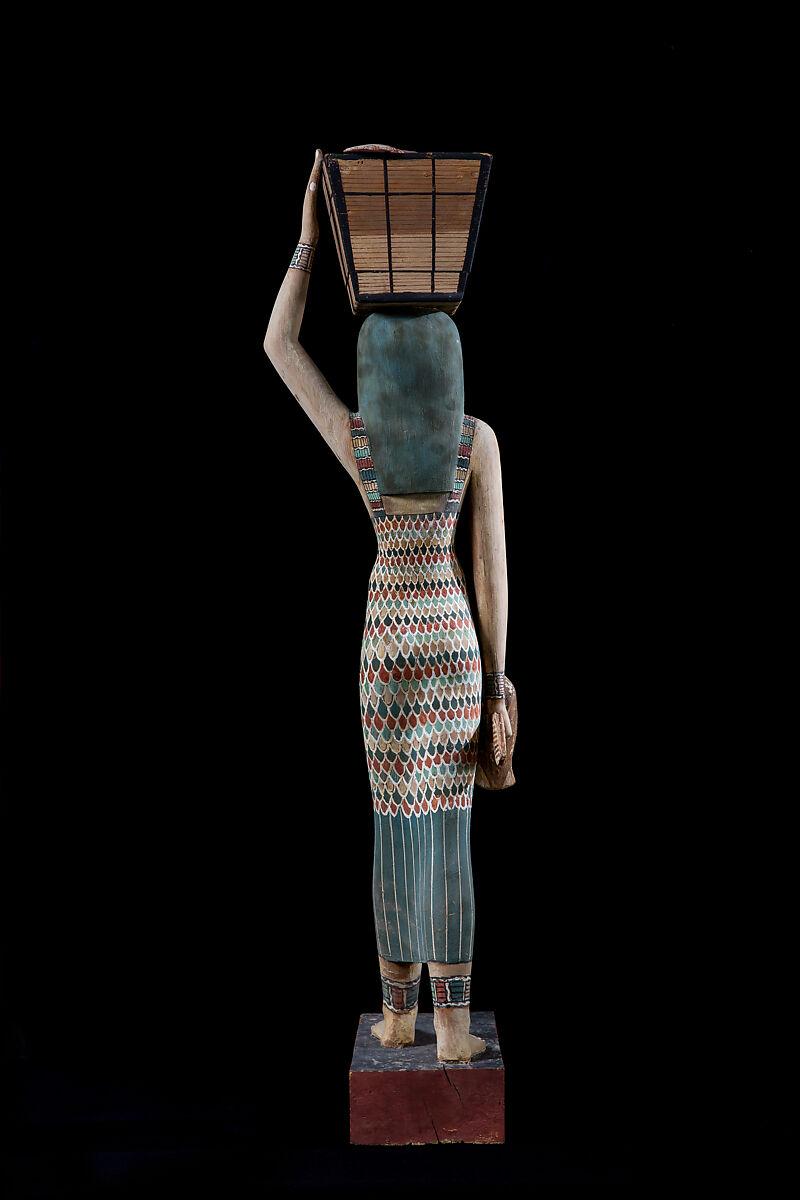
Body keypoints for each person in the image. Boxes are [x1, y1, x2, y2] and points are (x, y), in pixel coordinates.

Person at [264, 150, 511, 1062]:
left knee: (392, 823)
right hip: (450, 638)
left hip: (386, 640)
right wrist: (497, 681)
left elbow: (279, 348)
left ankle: (399, 1016)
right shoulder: (475, 442)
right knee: (449, 829)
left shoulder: (363, 445)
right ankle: (454, 1028)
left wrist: (308, 238)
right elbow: (492, 573)